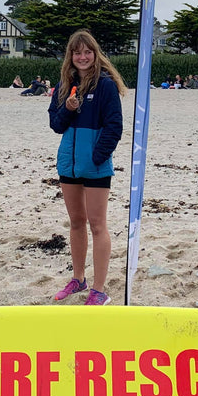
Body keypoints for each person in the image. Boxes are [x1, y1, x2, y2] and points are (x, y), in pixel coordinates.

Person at [48, 30, 127, 306]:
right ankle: (78, 279)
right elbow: (56, 124)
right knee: (76, 222)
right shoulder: (63, 85)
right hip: (68, 164)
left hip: (95, 166)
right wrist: (68, 108)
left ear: (95, 54)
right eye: (77, 52)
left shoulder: (105, 86)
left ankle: (99, 288)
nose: (82, 57)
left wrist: (97, 157)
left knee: (97, 225)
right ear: (70, 56)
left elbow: (114, 126)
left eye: (87, 52)